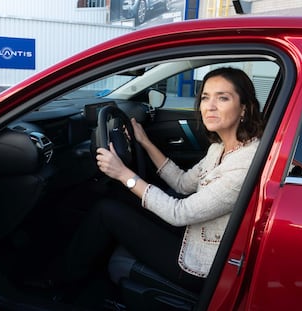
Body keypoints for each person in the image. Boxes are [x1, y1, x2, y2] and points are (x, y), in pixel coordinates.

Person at [59, 67, 264, 297]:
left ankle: (61, 287)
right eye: (205, 97)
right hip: (195, 233)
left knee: (106, 211)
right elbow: (182, 183)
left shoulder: (245, 163)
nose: (210, 106)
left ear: (244, 108)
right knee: (119, 195)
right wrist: (145, 142)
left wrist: (123, 173)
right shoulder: (219, 148)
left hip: (202, 264)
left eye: (223, 98)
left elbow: (179, 213)